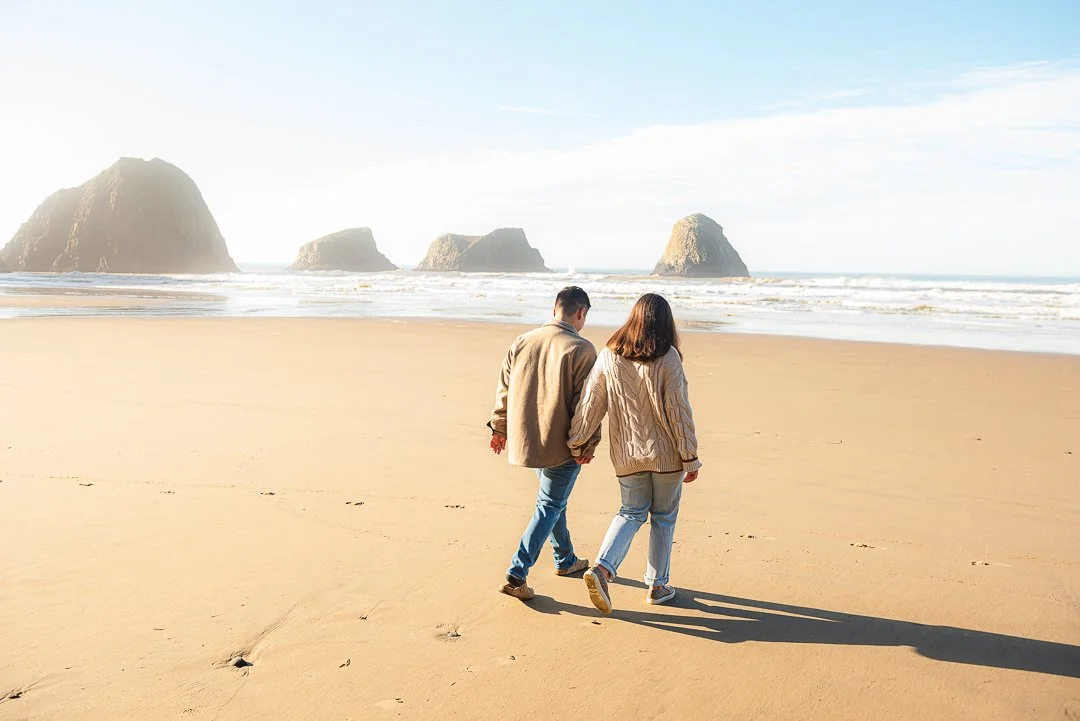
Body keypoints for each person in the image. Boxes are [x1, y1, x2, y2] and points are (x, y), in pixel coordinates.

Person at [568, 293, 701, 614]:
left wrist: (577, 441)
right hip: (667, 457)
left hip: (627, 456)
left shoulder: (609, 355)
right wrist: (690, 455)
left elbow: (591, 402)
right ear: (665, 322)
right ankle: (657, 586)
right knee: (664, 519)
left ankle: (602, 569)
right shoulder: (668, 357)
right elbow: (678, 411)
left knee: (630, 512)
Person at [489, 286, 601, 600]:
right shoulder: (582, 349)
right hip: (561, 445)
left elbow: (504, 390)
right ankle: (516, 574)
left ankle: (565, 559)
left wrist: (499, 429)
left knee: (553, 503)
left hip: (527, 440)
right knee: (549, 505)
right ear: (581, 313)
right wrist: (585, 446)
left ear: (555, 309)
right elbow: (586, 407)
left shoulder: (522, 340)